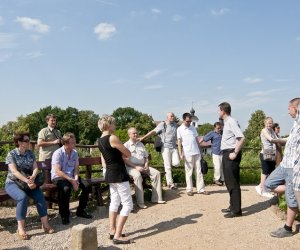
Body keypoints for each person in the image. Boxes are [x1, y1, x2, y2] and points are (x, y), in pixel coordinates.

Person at [5, 132, 54, 240]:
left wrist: (32, 177)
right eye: (26, 141)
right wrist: (28, 181)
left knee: (40, 196)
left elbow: (36, 168)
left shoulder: (30, 153)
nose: (29, 142)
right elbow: (14, 171)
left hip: (28, 182)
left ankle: (45, 225)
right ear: (19, 142)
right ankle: (21, 228)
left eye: (28, 140)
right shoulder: (11, 154)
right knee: (22, 197)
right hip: (13, 183)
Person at [265, 98, 300, 238]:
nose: (287, 111)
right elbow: (290, 140)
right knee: (268, 184)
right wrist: (276, 140)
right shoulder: (295, 125)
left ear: (296, 108)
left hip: (293, 167)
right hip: (285, 164)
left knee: (291, 199)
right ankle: (290, 189)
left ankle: (287, 228)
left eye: (289, 108)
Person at [98, 115, 133, 245]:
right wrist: (123, 153)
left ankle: (112, 230)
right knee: (128, 204)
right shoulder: (112, 138)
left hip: (110, 173)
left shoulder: (100, 139)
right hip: (118, 172)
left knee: (115, 201)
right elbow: (128, 154)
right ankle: (118, 235)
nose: (116, 125)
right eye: (114, 123)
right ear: (109, 124)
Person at [51, 132, 92, 225]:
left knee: (86, 185)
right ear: (65, 143)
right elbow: (57, 171)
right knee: (65, 189)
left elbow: (76, 168)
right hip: (59, 177)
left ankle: (81, 211)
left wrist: (76, 179)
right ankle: (64, 214)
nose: (75, 144)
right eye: (72, 142)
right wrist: (72, 181)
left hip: (72, 176)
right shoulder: (57, 153)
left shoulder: (75, 152)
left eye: (75, 142)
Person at [124, 127, 166, 209]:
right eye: (134, 133)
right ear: (129, 135)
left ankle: (156, 198)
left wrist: (146, 164)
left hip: (143, 166)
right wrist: (136, 167)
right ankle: (140, 202)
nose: (136, 134)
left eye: (136, 133)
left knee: (156, 173)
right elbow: (125, 160)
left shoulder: (141, 144)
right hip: (130, 167)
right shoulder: (126, 145)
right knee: (137, 175)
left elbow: (146, 157)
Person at [218, 102, 245, 218]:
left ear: (223, 111)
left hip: (230, 153)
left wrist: (235, 152)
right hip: (227, 153)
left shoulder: (231, 121)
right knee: (229, 181)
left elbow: (242, 138)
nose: (218, 113)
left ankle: (236, 210)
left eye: (219, 110)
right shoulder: (227, 122)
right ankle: (232, 206)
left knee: (232, 181)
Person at [139, 112, 179, 190]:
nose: (172, 117)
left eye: (173, 116)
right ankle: (170, 184)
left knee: (176, 163)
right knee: (167, 166)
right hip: (165, 147)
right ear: (167, 117)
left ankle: (170, 180)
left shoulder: (175, 125)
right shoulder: (162, 124)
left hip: (174, 147)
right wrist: (144, 138)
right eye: (171, 116)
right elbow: (153, 132)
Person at [177, 113, 208, 196]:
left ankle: (200, 189)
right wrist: (180, 154)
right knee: (189, 172)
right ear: (183, 120)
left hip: (196, 152)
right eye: (187, 121)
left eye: (190, 121)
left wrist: (201, 151)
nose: (189, 122)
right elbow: (179, 143)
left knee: (199, 171)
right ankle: (189, 189)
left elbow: (196, 140)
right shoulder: (179, 129)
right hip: (187, 153)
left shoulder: (193, 127)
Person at [255, 117, 278, 198]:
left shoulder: (272, 130)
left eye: (270, 123)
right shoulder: (264, 130)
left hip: (271, 152)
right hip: (265, 152)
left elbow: (276, 138)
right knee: (265, 171)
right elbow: (271, 139)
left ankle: (262, 186)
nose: (269, 124)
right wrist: (281, 140)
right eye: (268, 123)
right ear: (265, 123)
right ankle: (262, 189)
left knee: (271, 171)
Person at [198, 122, 224, 186]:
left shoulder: (222, 133)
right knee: (217, 166)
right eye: (218, 128)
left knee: (222, 167)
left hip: (223, 152)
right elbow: (204, 138)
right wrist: (197, 145)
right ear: (214, 128)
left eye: (220, 128)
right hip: (216, 152)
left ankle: (222, 179)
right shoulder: (212, 133)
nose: (219, 129)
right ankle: (216, 179)